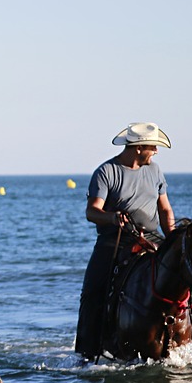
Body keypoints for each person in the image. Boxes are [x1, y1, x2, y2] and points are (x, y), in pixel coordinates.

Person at [74, 122, 176, 361]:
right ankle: (87, 352)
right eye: (153, 146)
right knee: (92, 291)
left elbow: (164, 209)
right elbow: (92, 211)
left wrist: (171, 238)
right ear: (138, 147)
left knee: (186, 278)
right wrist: (111, 217)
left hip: (151, 236)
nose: (156, 151)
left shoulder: (156, 171)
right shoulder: (106, 172)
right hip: (115, 239)